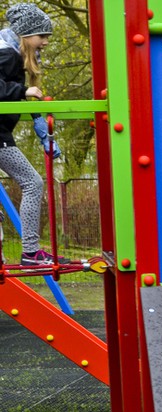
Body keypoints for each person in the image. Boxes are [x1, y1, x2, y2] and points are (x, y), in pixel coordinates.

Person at [0, 2, 66, 266]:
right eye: (42, 36)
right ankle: (30, 251)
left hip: (2, 132)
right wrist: (22, 92)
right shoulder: (8, 55)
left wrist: (40, 125)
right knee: (32, 182)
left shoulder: (13, 54)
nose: (46, 42)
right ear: (25, 35)